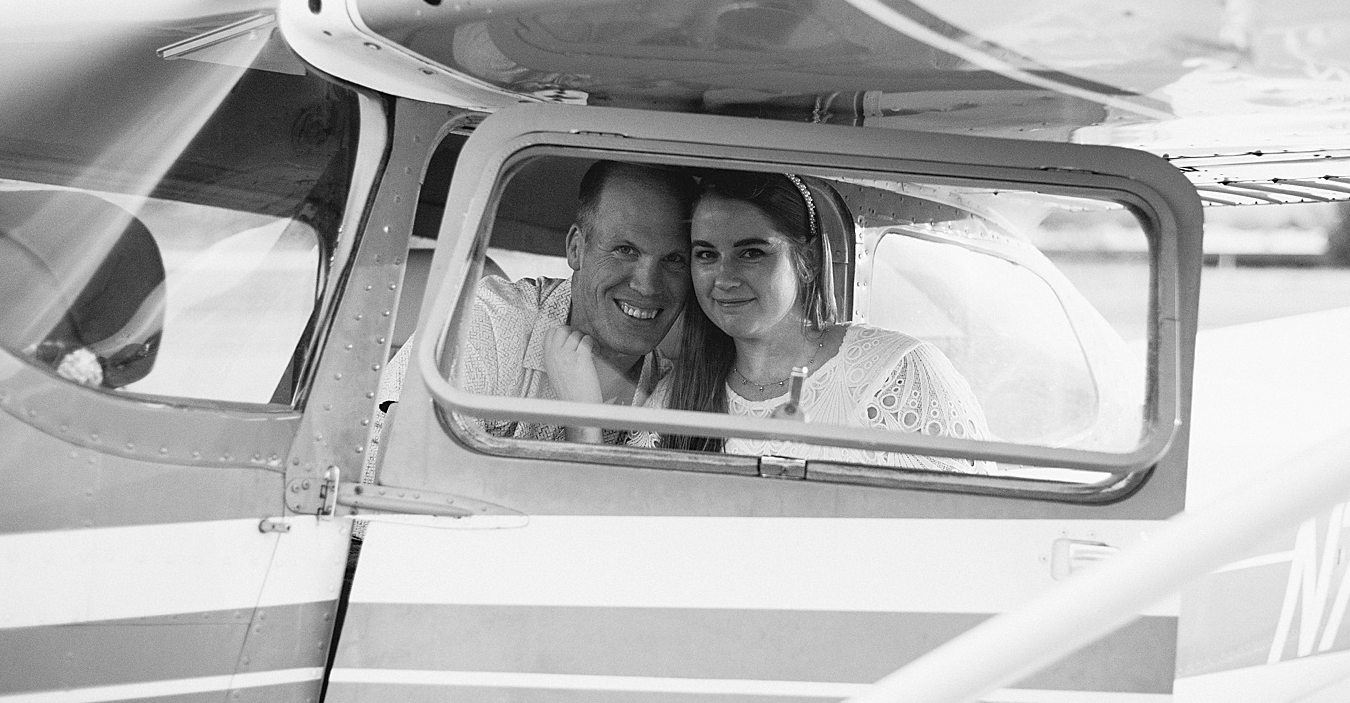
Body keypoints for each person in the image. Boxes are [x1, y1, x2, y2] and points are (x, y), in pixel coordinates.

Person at [365, 160, 693, 477]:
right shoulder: (490, 322)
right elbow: (406, 479)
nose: (647, 285)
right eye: (625, 250)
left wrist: (582, 421)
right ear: (576, 248)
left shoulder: (674, 388)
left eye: (675, 259)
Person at [648, 169, 989, 469]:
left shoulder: (897, 371)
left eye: (751, 253)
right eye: (706, 255)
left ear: (807, 260)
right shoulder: (673, 399)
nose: (724, 278)